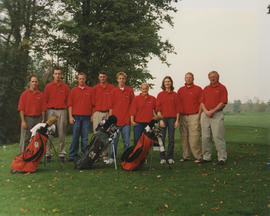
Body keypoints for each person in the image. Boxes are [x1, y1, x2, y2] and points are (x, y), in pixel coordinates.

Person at [200, 71, 228, 165]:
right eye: (211, 77)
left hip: (217, 114)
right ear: (208, 78)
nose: (212, 78)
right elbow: (202, 102)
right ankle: (206, 157)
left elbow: (223, 102)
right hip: (205, 114)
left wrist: (212, 111)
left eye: (214, 76)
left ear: (218, 77)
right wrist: (206, 111)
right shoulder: (206, 88)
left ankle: (222, 158)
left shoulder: (222, 88)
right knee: (205, 137)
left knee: (218, 136)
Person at [108, 72, 134, 164]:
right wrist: (111, 121)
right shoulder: (113, 91)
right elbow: (111, 107)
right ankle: (112, 157)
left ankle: (125, 157)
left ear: (125, 80)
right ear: (117, 79)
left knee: (126, 142)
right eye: (120, 78)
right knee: (114, 141)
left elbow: (132, 106)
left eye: (123, 78)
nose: (121, 80)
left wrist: (131, 119)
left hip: (126, 121)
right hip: (116, 122)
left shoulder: (130, 91)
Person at [44, 68, 69, 162]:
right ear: (53, 75)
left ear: (61, 75)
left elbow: (68, 100)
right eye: (56, 74)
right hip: (51, 111)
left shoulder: (65, 87)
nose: (57, 75)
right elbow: (45, 100)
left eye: (59, 74)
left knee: (62, 133)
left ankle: (62, 154)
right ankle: (48, 154)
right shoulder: (48, 86)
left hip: (62, 111)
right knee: (49, 132)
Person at [177, 72, 202, 163]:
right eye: (187, 77)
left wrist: (199, 115)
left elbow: (201, 104)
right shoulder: (180, 90)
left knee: (194, 137)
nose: (188, 79)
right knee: (184, 137)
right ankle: (186, 156)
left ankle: (198, 156)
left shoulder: (198, 89)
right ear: (184, 79)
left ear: (193, 78)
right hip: (183, 116)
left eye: (190, 77)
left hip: (194, 115)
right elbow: (177, 104)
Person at [67, 73, 93, 161]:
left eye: (83, 79)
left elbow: (93, 105)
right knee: (75, 137)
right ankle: (72, 155)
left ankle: (84, 154)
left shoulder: (90, 90)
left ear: (85, 79)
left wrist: (92, 115)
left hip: (86, 117)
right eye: (80, 79)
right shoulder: (73, 90)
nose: (81, 80)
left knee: (85, 138)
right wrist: (70, 116)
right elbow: (70, 105)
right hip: (76, 117)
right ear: (78, 80)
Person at [18, 75, 46, 153]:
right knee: (25, 138)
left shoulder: (41, 95)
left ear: (38, 83)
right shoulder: (24, 94)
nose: (34, 83)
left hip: (38, 119)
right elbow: (21, 109)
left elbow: (43, 109)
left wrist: (43, 119)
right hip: (27, 119)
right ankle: (23, 155)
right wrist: (23, 121)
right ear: (30, 82)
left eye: (36, 81)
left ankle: (35, 155)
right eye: (33, 81)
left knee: (36, 138)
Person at [156, 76, 180, 165]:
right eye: (165, 81)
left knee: (171, 139)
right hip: (163, 118)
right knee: (161, 139)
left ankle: (170, 157)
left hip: (172, 119)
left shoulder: (175, 95)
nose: (167, 83)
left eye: (169, 81)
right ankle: (162, 157)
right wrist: (160, 120)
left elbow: (178, 109)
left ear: (171, 83)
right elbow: (158, 109)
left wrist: (177, 121)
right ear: (163, 83)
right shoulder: (160, 94)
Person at [92, 71, 114, 161]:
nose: (102, 78)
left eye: (104, 77)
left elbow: (113, 102)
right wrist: (91, 114)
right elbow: (92, 104)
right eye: (101, 77)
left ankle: (105, 154)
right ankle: (96, 154)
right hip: (97, 113)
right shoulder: (95, 88)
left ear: (106, 77)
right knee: (97, 134)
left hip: (107, 113)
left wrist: (111, 115)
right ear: (98, 77)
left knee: (106, 134)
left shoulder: (111, 88)